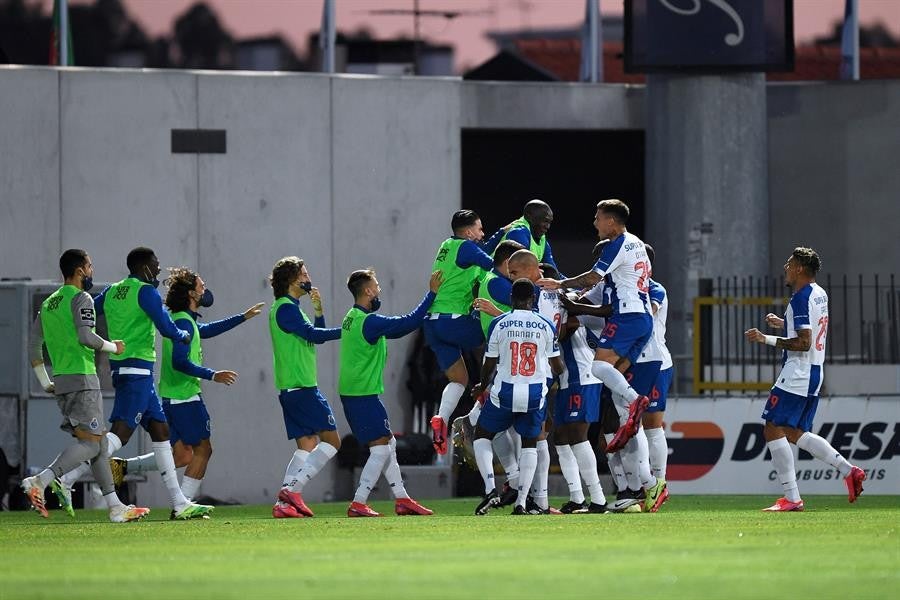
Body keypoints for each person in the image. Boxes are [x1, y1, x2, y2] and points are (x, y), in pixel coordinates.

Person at [21, 249, 149, 522]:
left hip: (63, 382)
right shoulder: (81, 297)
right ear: (80, 270)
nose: (92, 271)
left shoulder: (49, 303)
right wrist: (114, 347)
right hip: (82, 378)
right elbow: (86, 337)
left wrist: (46, 382)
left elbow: (33, 346)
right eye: (90, 266)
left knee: (99, 444)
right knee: (90, 446)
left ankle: (115, 507)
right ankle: (41, 480)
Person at [115, 267, 262, 505]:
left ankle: (121, 467)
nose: (205, 290)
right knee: (204, 450)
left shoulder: (185, 320)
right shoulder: (183, 320)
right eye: (201, 286)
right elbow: (180, 362)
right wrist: (213, 375)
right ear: (191, 294)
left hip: (172, 397)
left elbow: (206, 330)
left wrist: (242, 317)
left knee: (182, 455)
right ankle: (182, 504)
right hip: (184, 397)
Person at [93, 247, 212, 519]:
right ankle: (63, 474)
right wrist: (182, 335)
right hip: (136, 370)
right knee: (119, 436)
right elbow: (165, 326)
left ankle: (180, 503)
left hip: (132, 371)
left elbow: (87, 309)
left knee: (161, 432)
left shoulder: (113, 290)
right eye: (156, 264)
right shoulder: (145, 291)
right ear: (145, 267)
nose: (159, 269)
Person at [745, 247, 865, 511]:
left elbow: (803, 342)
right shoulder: (819, 293)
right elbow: (810, 327)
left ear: (799, 268)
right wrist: (784, 322)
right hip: (814, 372)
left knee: (772, 427)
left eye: (789, 263)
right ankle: (849, 471)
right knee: (795, 433)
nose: (786, 267)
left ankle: (791, 497)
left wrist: (766, 338)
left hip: (797, 372)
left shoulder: (800, 297)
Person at [538, 199, 652, 456]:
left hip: (627, 316)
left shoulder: (617, 244)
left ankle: (636, 402)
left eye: (598, 217)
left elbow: (592, 277)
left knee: (599, 367)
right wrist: (573, 294)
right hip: (643, 320)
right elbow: (598, 288)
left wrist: (558, 284)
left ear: (611, 221)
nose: (595, 223)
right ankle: (645, 479)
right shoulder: (637, 244)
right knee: (615, 386)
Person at [339, 268, 443, 517]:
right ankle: (359, 501)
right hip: (362, 394)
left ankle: (402, 499)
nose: (379, 291)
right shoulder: (369, 321)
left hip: (358, 392)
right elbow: (409, 322)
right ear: (367, 291)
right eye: (376, 286)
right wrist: (432, 295)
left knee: (389, 442)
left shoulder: (351, 317)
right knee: (381, 448)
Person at [471, 278, 564, 515]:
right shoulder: (545, 325)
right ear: (533, 299)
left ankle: (491, 488)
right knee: (530, 443)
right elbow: (558, 366)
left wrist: (482, 386)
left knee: (482, 434)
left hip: (505, 392)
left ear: (511, 298)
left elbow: (489, 361)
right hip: (534, 394)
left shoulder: (499, 323)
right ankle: (522, 501)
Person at [267, 257, 343, 519]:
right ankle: (292, 490)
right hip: (302, 387)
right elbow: (313, 335)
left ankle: (284, 505)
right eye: (304, 274)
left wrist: (319, 311)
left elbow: (314, 334)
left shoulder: (289, 307)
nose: (308, 278)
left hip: (292, 387)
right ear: (292, 280)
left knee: (306, 445)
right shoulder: (286, 309)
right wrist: (349, 330)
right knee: (332, 441)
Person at [427, 210, 498, 456]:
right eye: (480, 229)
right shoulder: (467, 249)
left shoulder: (448, 245)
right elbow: (495, 265)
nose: (483, 234)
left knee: (459, 379)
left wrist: (502, 232)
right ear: (468, 232)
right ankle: (491, 392)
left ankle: (441, 418)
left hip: (434, 325)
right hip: (453, 321)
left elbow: (485, 251)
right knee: (498, 331)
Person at [643, 244, 673, 483]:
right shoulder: (618, 288)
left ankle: (659, 483)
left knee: (652, 425)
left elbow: (649, 312)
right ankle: (640, 484)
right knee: (628, 427)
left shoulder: (655, 290)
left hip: (656, 363)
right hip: (632, 364)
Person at [501, 199, 559, 271]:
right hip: (489, 279)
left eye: (549, 222)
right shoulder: (518, 233)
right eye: (545, 221)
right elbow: (523, 270)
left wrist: (571, 281)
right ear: (529, 217)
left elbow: (553, 272)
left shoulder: (543, 241)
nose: (547, 227)